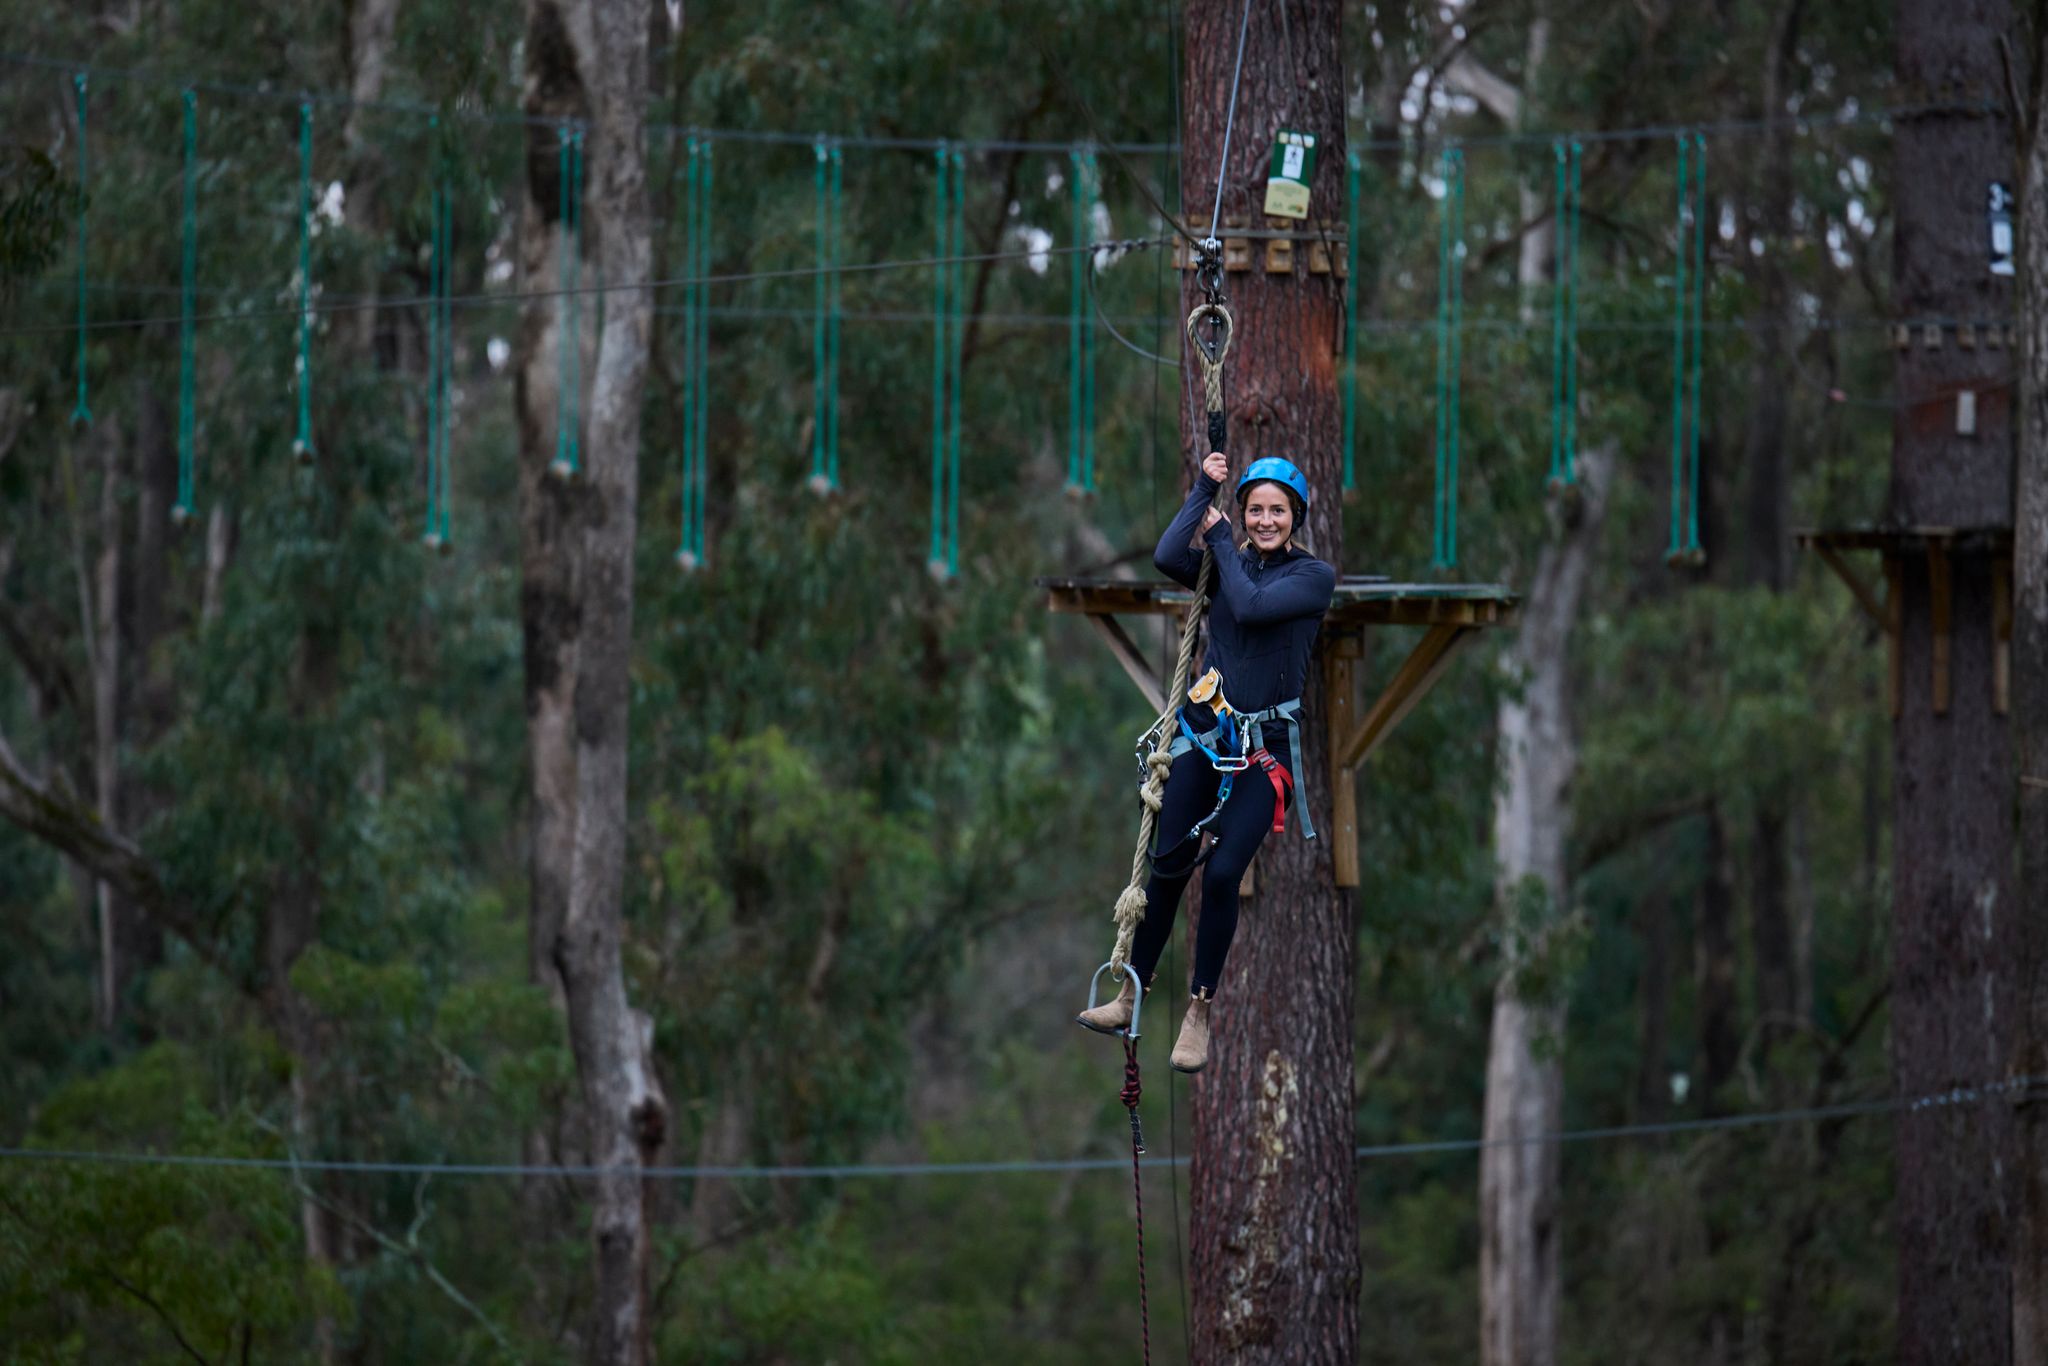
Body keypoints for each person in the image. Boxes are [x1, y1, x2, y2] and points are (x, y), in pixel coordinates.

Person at [1077, 451, 1336, 1072]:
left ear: (1295, 516)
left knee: (1220, 876)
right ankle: (1130, 988)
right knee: (1166, 864)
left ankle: (1200, 1008)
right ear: (1245, 514)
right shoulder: (1230, 561)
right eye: (1256, 510)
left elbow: (1248, 606)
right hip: (1206, 733)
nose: (1266, 520)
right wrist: (1203, 487)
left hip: (1263, 753)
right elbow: (1170, 556)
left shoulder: (1313, 577)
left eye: (1277, 510)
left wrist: (1219, 536)